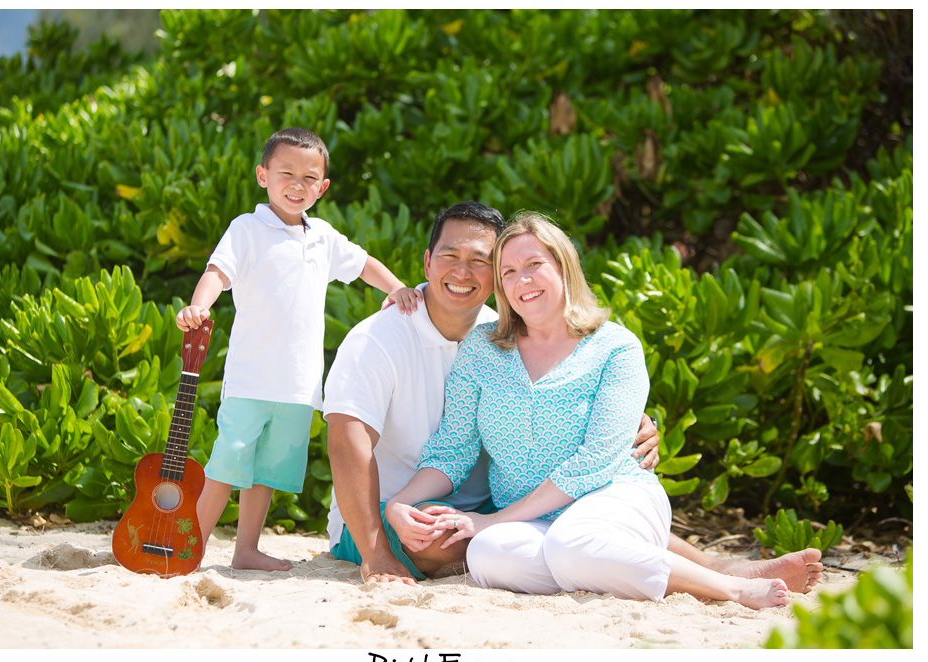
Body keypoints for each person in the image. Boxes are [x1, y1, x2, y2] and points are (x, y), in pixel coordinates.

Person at [325, 203, 822, 592]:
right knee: (492, 549)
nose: (467, 271)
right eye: (453, 257)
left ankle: (723, 578)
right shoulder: (409, 341)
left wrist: (633, 418)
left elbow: (587, 447)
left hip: (532, 503)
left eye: (485, 261)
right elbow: (377, 446)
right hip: (451, 509)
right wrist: (382, 540)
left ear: (563, 267)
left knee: (569, 535)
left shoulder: (544, 333)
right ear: (427, 262)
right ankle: (639, 564)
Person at [176, 127, 419, 571]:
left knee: (268, 472)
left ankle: (246, 550)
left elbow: (363, 264)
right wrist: (198, 306)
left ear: (322, 188)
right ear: (262, 175)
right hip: (250, 378)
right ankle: (192, 547)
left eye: (310, 178)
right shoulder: (247, 228)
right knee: (226, 466)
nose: (297, 184)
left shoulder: (323, 237)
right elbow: (218, 271)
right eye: (286, 172)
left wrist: (398, 287)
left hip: (299, 385)